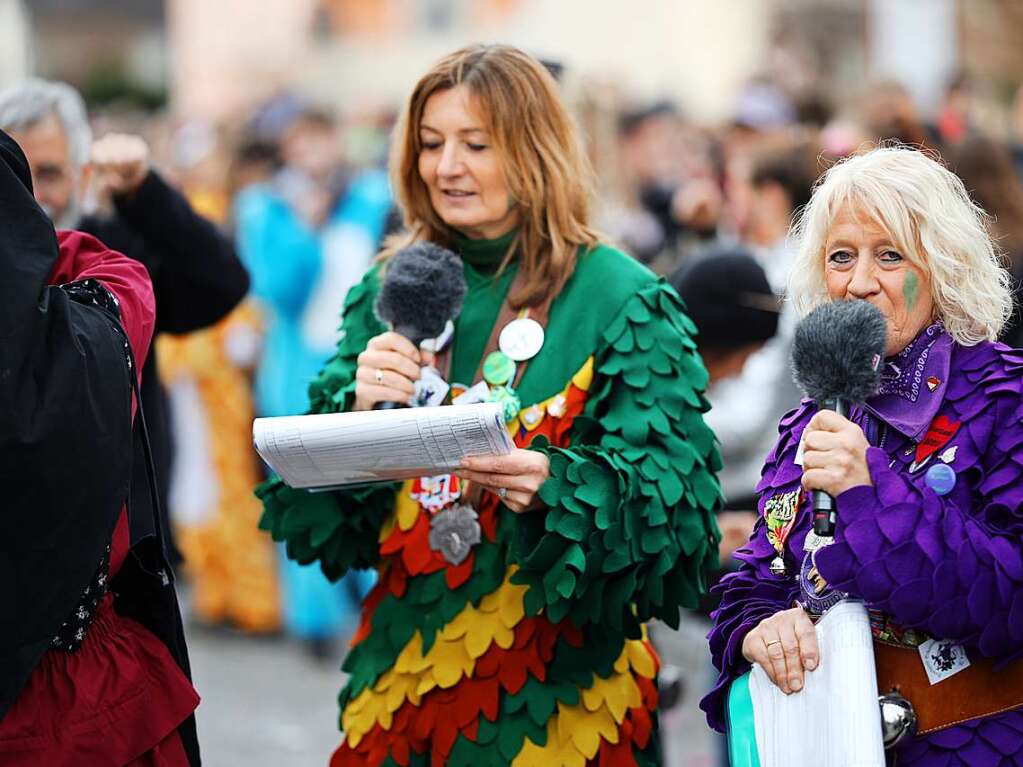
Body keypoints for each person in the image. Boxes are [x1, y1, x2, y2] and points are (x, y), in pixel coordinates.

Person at [258, 44, 721, 765]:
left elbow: (681, 527)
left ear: (533, 150)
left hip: (563, 700)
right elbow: (321, 530)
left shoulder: (619, 296)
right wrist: (356, 413)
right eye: (430, 144)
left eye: (476, 144)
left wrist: (557, 487)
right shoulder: (387, 287)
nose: (446, 168)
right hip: (402, 691)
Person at [701, 146, 1023, 766]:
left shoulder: (1006, 396)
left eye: (890, 255)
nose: (860, 282)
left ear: (941, 265)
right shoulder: (810, 419)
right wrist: (761, 626)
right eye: (841, 257)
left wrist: (870, 491)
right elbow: (759, 573)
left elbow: (1010, 599)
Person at [0, 130, 200, 764]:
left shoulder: (72, 313)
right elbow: (123, 284)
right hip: (74, 705)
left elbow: (213, 279)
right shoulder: (84, 325)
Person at [0, 78, 251, 572]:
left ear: (83, 173)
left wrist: (146, 193)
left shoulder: (115, 255)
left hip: (120, 553)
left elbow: (221, 283)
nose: (31, 194)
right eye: (13, 173)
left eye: (47, 173)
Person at [235, 107, 393, 656]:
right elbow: (278, 291)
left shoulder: (371, 196)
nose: (314, 153)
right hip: (295, 376)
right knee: (305, 492)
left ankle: (383, 609)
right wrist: (306, 228)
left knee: (377, 484)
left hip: (364, 369)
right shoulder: (264, 207)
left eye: (322, 139)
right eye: (301, 142)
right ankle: (314, 619)